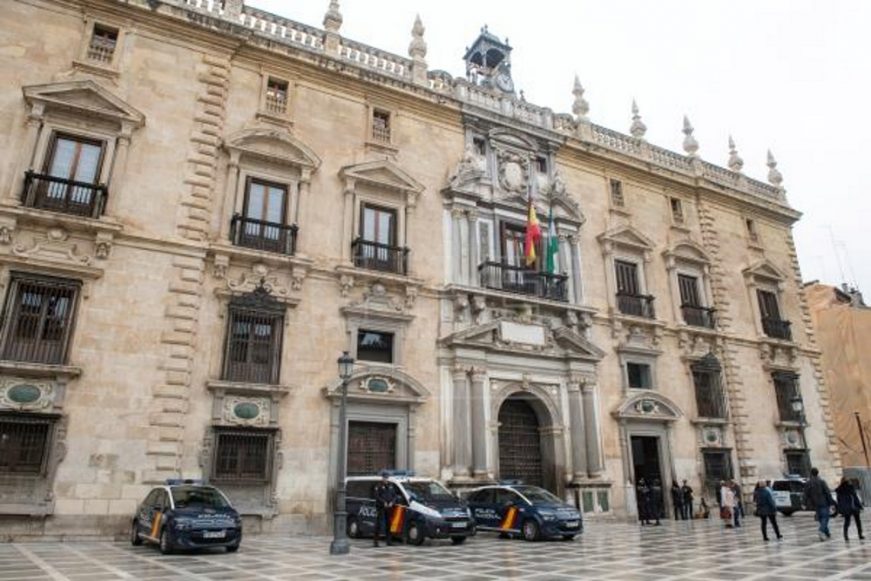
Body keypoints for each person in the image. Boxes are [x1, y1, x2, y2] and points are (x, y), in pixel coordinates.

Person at [804, 467, 835, 541]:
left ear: (811, 473)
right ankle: (821, 530)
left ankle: (827, 533)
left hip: (815, 504)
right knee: (825, 517)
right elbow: (827, 492)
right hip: (823, 502)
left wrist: (804, 503)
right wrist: (831, 502)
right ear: (817, 473)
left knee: (821, 518)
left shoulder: (808, 482)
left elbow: (805, 494)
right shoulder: (821, 481)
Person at [835, 476, 865, 541]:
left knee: (847, 522)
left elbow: (839, 500)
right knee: (858, 521)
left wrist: (840, 509)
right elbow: (855, 497)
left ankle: (845, 536)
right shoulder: (850, 487)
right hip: (853, 507)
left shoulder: (839, 489)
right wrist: (860, 506)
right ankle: (860, 535)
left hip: (846, 508)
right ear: (848, 481)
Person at [373, 471, 397, 547]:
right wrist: (383, 502)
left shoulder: (391, 485)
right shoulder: (378, 486)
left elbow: (394, 496)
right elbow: (377, 496)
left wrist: (392, 502)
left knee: (389, 524)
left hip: (389, 507)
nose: (386, 479)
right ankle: (376, 542)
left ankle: (389, 541)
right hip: (381, 507)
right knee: (379, 524)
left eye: (387, 477)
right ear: (382, 478)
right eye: (384, 477)